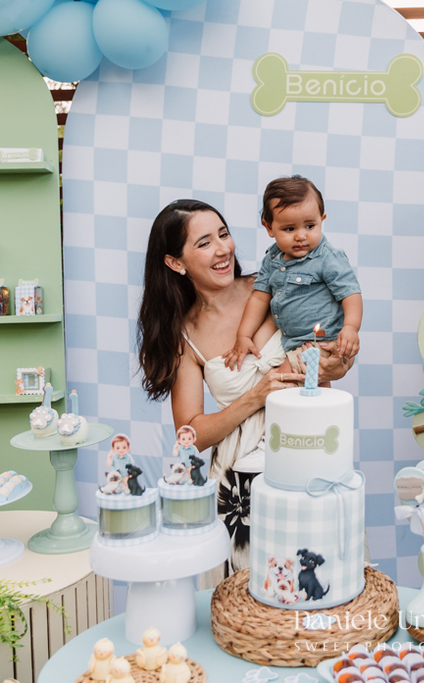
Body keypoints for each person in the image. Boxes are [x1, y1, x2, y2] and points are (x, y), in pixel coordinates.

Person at [136, 199, 352, 574]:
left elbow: (330, 351)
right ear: (175, 262)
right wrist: (256, 396)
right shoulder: (183, 336)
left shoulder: (276, 286)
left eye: (223, 234)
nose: (223, 249)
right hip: (240, 485)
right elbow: (191, 436)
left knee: (324, 578)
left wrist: (336, 359)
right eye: (204, 243)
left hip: (308, 451)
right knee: (252, 596)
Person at [224, 175, 362, 375]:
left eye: (310, 226)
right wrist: (243, 335)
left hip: (322, 339)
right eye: (289, 229)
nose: (300, 236)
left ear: (322, 220)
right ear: (269, 227)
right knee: (314, 387)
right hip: (292, 342)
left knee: (285, 378)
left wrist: (351, 327)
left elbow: (350, 293)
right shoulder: (272, 260)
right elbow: (259, 298)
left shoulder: (327, 257)